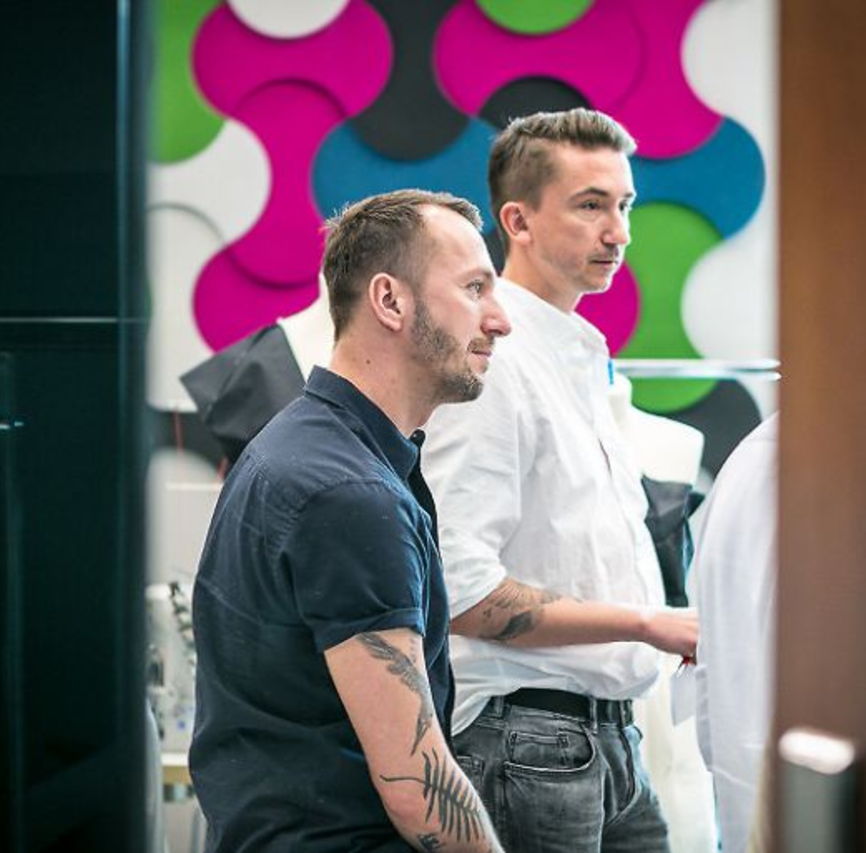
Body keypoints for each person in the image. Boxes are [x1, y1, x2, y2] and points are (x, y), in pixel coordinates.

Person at [189, 189, 512, 853]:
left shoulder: (309, 449)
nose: (500, 320)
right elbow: (419, 789)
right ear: (390, 300)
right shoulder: (349, 493)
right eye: (474, 288)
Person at [422, 108, 698, 852]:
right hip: (526, 739)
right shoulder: (496, 360)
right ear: (518, 220)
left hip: (606, 739)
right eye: (591, 205)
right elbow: (460, 586)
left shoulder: (575, 356)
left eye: (625, 205)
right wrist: (646, 622)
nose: (619, 232)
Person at [693, 414, 779, 853]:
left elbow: (707, 673)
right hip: (793, 785)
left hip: (744, 779)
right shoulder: (804, 469)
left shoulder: (744, 462)